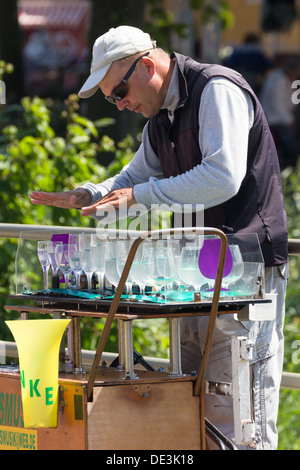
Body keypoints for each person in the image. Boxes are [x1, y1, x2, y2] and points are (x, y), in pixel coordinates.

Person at [30, 25, 288, 450]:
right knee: (193, 413)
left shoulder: (216, 89)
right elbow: (133, 177)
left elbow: (223, 177)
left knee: (245, 417)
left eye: (120, 91)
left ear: (147, 65)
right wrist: (89, 194)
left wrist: (139, 196)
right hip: (200, 280)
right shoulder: (161, 116)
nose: (120, 103)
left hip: (247, 276)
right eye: (114, 97)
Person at [260, 56, 300, 169]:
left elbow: (289, 102)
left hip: (281, 118)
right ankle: (287, 166)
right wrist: (290, 120)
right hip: (275, 120)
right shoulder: (278, 81)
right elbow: (277, 106)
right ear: (292, 70)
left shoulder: (284, 78)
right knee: (291, 141)